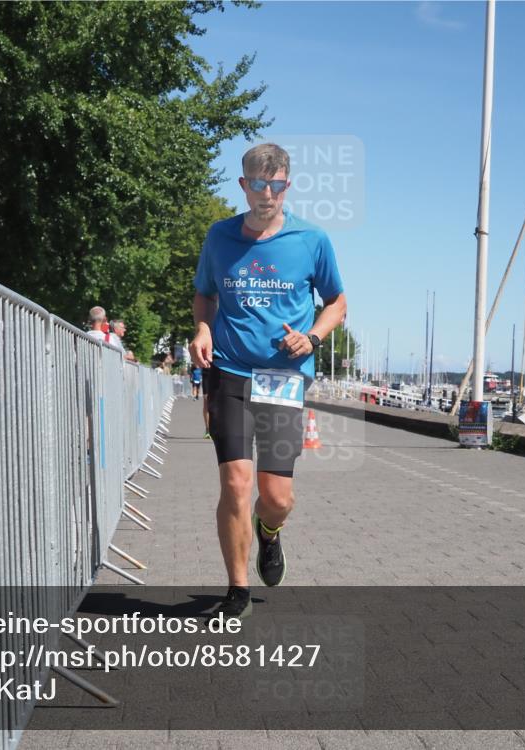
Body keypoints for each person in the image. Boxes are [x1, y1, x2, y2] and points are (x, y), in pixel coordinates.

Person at [190, 143, 346, 618]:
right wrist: (201, 328)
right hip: (230, 373)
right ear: (243, 185)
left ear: (287, 186)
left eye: (276, 185)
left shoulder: (311, 240)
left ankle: (269, 532)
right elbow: (204, 296)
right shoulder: (219, 238)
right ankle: (237, 591)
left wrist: (313, 338)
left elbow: (337, 304)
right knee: (235, 482)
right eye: (258, 184)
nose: (267, 194)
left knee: (276, 497)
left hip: (283, 377)